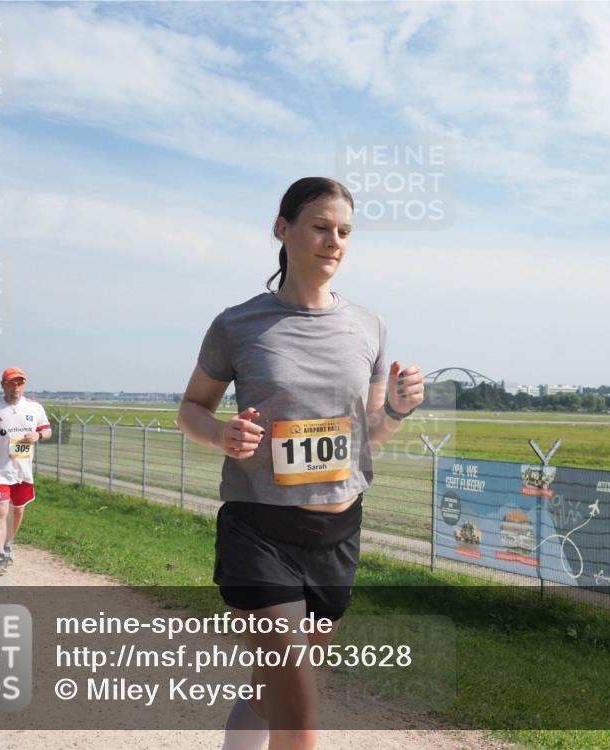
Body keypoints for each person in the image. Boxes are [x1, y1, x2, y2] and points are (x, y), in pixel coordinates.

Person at [178, 177, 424, 750]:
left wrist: (396, 410)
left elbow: (369, 436)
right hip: (260, 530)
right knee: (299, 704)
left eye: (344, 232)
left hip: (336, 534)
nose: (334, 241)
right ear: (282, 229)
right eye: (320, 227)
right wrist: (221, 434)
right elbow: (191, 408)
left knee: (274, 691)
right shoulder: (237, 325)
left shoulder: (370, 326)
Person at [0, 367, 51, 576]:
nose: (16, 387)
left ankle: (6, 545)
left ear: (24, 385)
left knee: (18, 511)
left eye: (20, 383)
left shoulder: (35, 408)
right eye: (11, 383)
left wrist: (38, 436)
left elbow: (47, 430)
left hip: (22, 470)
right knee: (1, 510)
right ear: (3, 385)